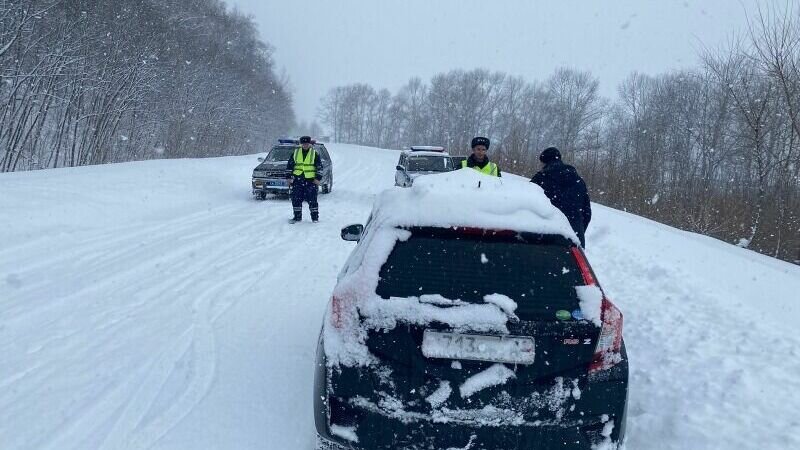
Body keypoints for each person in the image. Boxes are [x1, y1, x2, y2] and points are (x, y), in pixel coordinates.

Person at [531, 147, 591, 247]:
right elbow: (587, 213)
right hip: (574, 240)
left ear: (545, 162)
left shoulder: (540, 178)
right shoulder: (579, 181)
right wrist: (578, 230)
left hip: (546, 238)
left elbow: (528, 204)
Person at [287, 136, 323, 223]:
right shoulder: (296, 153)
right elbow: (289, 166)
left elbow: (320, 167)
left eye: (307, 144)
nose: (305, 145)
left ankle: (315, 218)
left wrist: (317, 178)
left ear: (309, 144)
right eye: (303, 144)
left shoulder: (314, 153)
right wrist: (288, 177)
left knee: (312, 200)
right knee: (296, 199)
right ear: (301, 144)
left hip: (310, 181)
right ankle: (297, 217)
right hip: (298, 180)